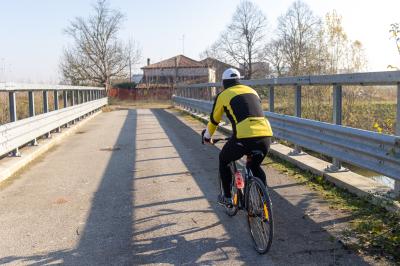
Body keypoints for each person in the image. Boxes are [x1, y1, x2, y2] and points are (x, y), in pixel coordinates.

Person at [201, 68, 273, 207]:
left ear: (223, 83)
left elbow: (214, 121)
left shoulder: (223, 95)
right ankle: (266, 202)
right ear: (239, 80)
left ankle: (227, 197)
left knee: (223, 159)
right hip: (265, 134)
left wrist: (207, 137)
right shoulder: (252, 91)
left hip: (243, 137)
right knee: (255, 166)